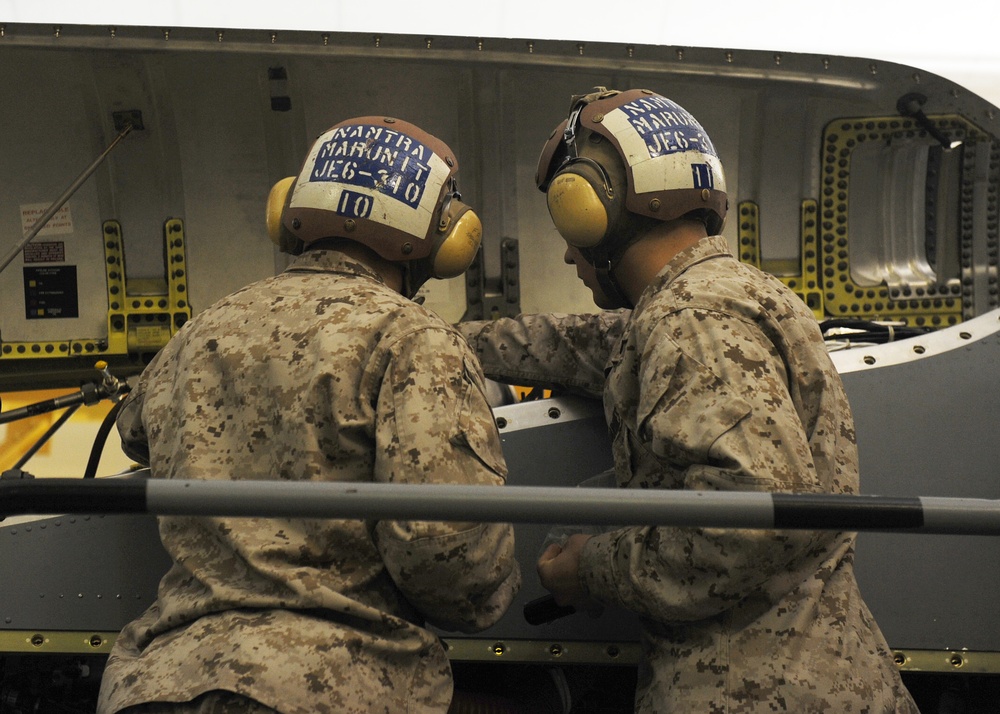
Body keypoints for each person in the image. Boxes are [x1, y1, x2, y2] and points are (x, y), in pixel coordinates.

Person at [458, 87, 919, 713]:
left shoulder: (691, 317)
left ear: (597, 211)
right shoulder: (720, 295)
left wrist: (588, 567)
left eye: (566, 227)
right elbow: (580, 344)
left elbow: (743, 525)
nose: (567, 252)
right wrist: (443, 342)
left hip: (747, 689)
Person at [98, 115, 521, 714]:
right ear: (444, 238)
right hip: (335, 684)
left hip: (159, 684)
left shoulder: (200, 330)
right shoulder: (413, 340)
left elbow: (136, 431)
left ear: (291, 209)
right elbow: (448, 561)